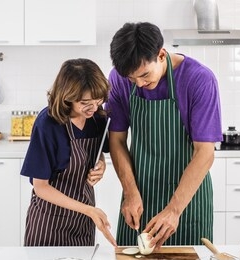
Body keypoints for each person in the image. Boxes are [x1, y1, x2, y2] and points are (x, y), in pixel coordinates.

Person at [106, 22, 222, 248]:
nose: (139, 83)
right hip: (139, 197)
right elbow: (117, 140)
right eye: (132, 79)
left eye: (144, 75)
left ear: (161, 55)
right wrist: (130, 192)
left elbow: (205, 153)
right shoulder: (119, 79)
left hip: (188, 203)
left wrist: (174, 210)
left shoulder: (199, 80)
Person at [21, 58, 117, 247]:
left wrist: (101, 165)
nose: (94, 107)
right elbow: (41, 187)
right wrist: (89, 210)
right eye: (85, 102)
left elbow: (99, 152)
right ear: (67, 96)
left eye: (98, 101)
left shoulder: (97, 118)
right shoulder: (47, 124)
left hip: (83, 223)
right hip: (49, 223)